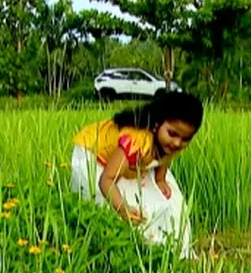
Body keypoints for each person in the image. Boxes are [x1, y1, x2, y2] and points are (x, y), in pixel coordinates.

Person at [70, 91, 202, 259]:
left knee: (169, 201)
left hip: (132, 161)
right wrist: (123, 208)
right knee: (109, 207)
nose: (177, 143)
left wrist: (160, 178)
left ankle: (175, 253)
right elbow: (106, 181)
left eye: (185, 139)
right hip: (94, 155)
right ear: (156, 125)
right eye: (172, 134)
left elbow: (166, 157)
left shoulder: (170, 143)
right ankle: (132, 254)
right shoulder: (136, 141)